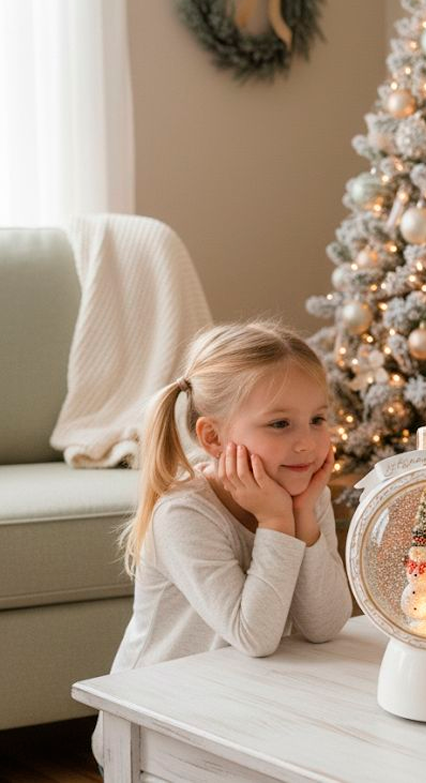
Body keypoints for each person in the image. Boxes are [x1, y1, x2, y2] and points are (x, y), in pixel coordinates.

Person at [92, 320, 352, 766]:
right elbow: (254, 636)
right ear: (213, 438)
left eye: (317, 419)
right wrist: (275, 520)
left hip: (245, 707)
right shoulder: (183, 514)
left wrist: (304, 515)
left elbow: (325, 624)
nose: (307, 443)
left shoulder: (306, 496)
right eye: (280, 424)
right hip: (156, 724)